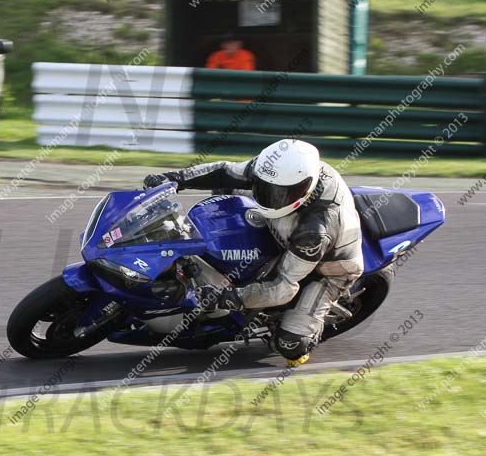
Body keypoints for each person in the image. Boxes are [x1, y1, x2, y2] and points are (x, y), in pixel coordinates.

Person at [143, 139, 363, 366]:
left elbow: (284, 286)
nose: (270, 196)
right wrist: (174, 179)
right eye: (265, 187)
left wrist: (228, 298)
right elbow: (224, 171)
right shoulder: (276, 169)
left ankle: (304, 330)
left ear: (305, 188)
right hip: (284, 233)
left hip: (327, 268)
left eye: (280, 193)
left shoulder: (316, 231)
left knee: (291, 346)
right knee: (225, 190)